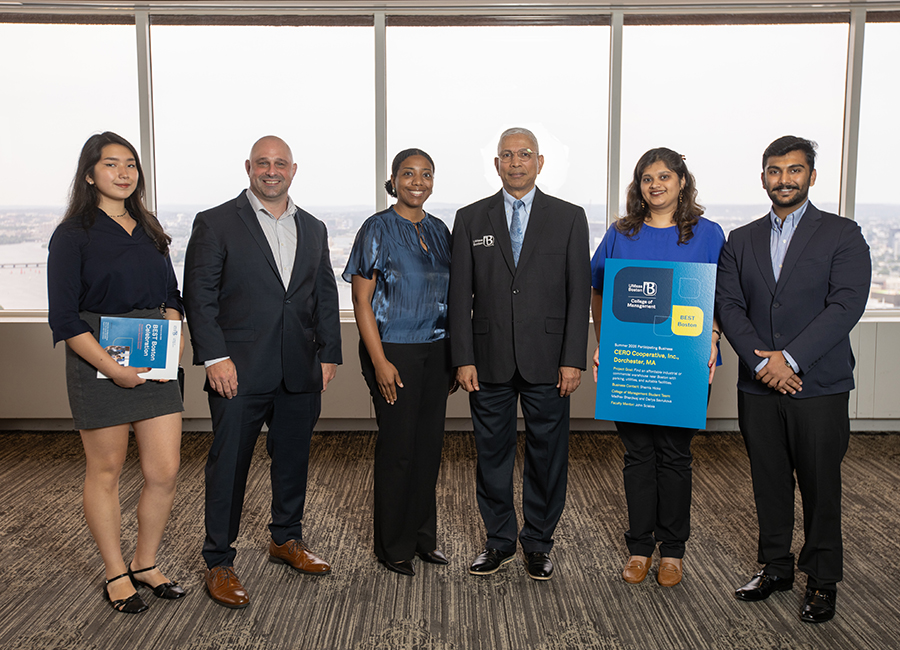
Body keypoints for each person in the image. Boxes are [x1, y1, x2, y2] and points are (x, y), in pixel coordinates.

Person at [716, 136, 871, 623]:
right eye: (775, 171)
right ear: (763, 176)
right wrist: (764, 365)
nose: (784, 179)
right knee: (769, 480)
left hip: (818, 384)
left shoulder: (843, 235)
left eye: (794, 170)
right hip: (757, 386)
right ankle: (776, 566)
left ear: (812, 176)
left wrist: (791, 360)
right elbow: (729, 305)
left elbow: (845, 306)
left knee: (821, 485)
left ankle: (823, 581)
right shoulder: (740, 240)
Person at [183, 135, 341, 609]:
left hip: (300, 367)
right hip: (237, 370)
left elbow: (324, 295)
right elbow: (200, 295)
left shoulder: (313, 227)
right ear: (248, 167)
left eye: (281, 164)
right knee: (229, 465)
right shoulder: (215, 223)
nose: (272, 171)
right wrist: (214, 358)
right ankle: (218, 560)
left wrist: (329, 354)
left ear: (294, 170)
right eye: (263, 163)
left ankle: (285, 539)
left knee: (293, 458)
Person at [47, 132, 186, 614]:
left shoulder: (148, 227)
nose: (124, 173)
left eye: (131, 164)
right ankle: (115, 573)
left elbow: (172, 294)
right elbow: (64, 318)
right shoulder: (73, 235)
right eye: (111, 164)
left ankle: (145, 563)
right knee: (105, 471)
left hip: (153, 356)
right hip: (97, 359)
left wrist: (173, 332)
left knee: (164, 470)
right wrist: (113, 369)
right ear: (90, 174)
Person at [449, 127, 591, 581]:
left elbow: (578, 295)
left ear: (540, 162)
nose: (515, 162)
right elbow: (459, 297)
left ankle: (538, 542)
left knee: (548, 454)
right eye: (507, 155)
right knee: (491, 453)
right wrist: (463, 356)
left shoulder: (569, 217)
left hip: (550, 360)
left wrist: (573, 357)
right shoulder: (471, 219)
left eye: (524, 154)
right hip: (486, 359)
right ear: (496, 164)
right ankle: (499, 541)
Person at [590, 148, 725, 588]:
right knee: (637, 455)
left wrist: (715, 337)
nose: (656, 185)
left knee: (674, 456)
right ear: (638, 185)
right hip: (632, 363)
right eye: (647, 178)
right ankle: (638, 547)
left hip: (684, 365)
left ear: (682, 181)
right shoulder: (621, 233)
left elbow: (724, 296)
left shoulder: (708, 234)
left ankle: (673, 550)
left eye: (665, 176)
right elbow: (598, 289)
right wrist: (603, 343)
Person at [343, 148, 454, 577]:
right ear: (393, 179)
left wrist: (455, 356)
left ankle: (424, 538)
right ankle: (393, 546)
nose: (418, 181)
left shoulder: (440, 229)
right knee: (399, 451)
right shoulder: (377, 228)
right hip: (393, 350)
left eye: (426, 174)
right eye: (408, 173)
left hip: (437, 350)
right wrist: (380, 361)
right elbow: (361, 301)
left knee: (428, 449)